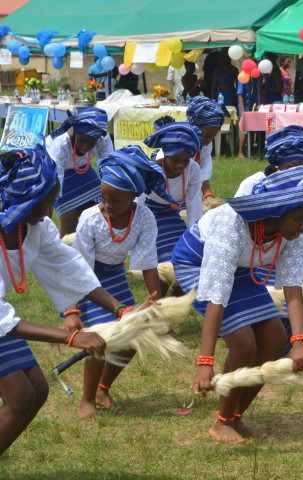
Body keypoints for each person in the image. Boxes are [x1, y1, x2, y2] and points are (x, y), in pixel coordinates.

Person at [0, 145, 133, 455]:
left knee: (38, 390)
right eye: (47, 203)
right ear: (26, 202)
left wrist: (121, 309)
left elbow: (70, 268)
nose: (52, 211)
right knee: (20, 397)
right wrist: (71, 337)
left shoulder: (35, 227)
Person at [171, 166, 303, 444]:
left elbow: (292, 287)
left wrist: (299, 342)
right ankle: (221, 422)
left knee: (275, 340)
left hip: (241, 267)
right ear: (276, 212)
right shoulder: (231, 226)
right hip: (198, 263)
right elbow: (217, 296)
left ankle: (235, 417)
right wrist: (205, 362)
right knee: (244, 344)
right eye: (299, 218)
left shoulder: (292, 232)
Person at [67, 146, 166, 418]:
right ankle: (87, 400)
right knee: (99, 339)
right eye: (104, 198)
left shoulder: (144, 217)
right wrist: (74, 309)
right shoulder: (90, 219)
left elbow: (148, 261)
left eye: (115, 199)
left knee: (134, 336)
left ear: (133, 196)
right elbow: (80, 271)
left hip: (115, 278)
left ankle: (102, 390)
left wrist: (156, 301)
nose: (107, 204)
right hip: (87, 283)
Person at [234, 126, 303, 290]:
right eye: (291, 167)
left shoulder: (301, 191)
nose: (296, 173)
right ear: (278, 164)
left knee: (286, 299)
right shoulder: (254, 184)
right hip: (246, 260)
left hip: (281, 257)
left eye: (302, 168)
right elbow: (236, 226)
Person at [138, 121, 203, 268]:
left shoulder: (193, 169)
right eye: (175, 160)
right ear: (165, 155)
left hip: (172, 212)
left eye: (186, 160)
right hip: (148, 214)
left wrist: (194, 234)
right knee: (165, 256)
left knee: (186, 250)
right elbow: (137, 203)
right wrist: (135, 232)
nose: (181, 165)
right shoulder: (151, 170)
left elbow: (194, 203)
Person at [45, 107, 114, 237]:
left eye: (91, 143)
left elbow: (109, 166)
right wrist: (46, 219)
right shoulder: (60, 144)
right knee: (69, 219)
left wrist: (109, 192)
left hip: (82, 168)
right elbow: (55, 181)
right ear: (76, 134)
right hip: (58, 171)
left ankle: (91, 244)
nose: (85, 146)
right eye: (81, 141)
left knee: (98, 214)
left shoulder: (102, 137)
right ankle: (64, 248)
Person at [156, 96, 229, 198]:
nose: (209, 140)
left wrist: (207, 193)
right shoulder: (179, 142)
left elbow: (203, 168)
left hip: (188, 187)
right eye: (207, 135)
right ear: (195, 127)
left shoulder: (206, 144)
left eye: (213, 136)